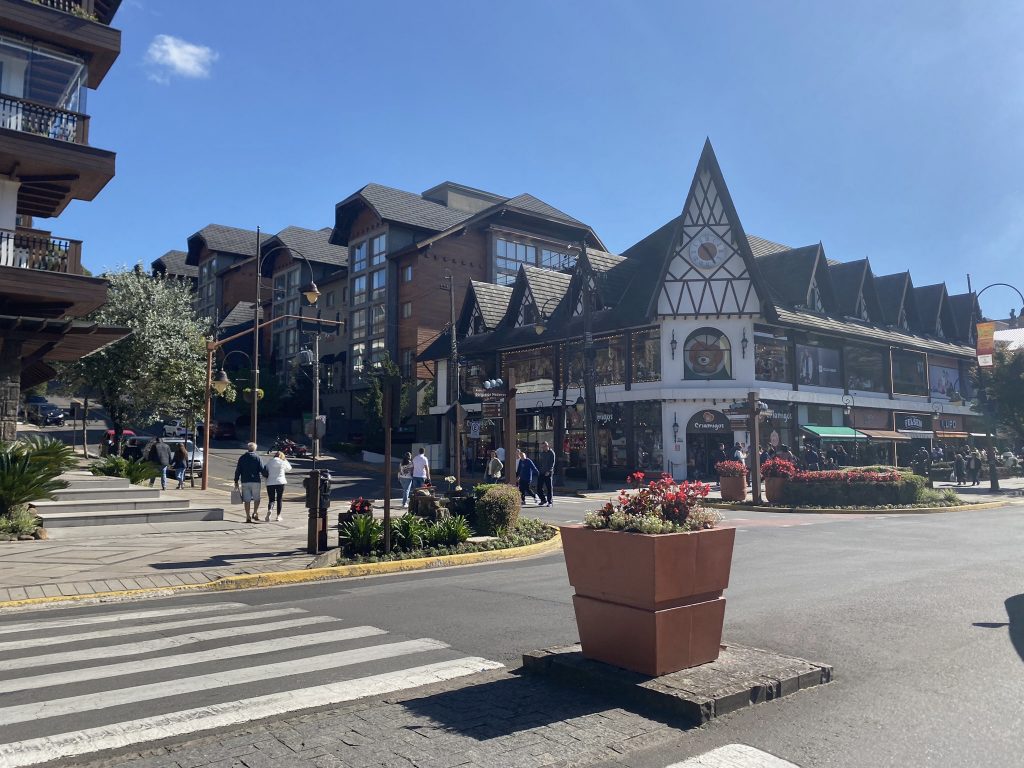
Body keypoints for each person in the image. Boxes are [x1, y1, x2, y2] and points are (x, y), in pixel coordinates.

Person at [233, 442, 266, 523]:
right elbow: (262, 469)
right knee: (257, 499)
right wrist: (267, 476)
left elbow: (238, 470)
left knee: (247, 500)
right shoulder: (258, 458)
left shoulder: (242, 458)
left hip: (245, 481)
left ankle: (248, 516)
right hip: (255, 481)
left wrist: (236, 480)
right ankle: (255, 512)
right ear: (255, 449)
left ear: (248, 448)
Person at [264, 450, 292, 521]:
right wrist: (285, 460)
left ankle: (270, 510)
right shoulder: (283, 462)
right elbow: (289, 468)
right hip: (280, 482)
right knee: (279, 499)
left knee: (271, 499)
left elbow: (265, 470)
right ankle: (278, 516)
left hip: (270, 482)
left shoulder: (269, 462)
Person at [537, 441, 556, 507]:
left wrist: (549, 471)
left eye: (545, 446)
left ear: (547, 446)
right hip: (541, 472)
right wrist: (539, 470)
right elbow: (540, 463)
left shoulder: (551, 453)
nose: (543, 448)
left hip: (548, 473)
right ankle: (543, 500)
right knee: (539, 487)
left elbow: (552, 463)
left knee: (549, 488)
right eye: (542, 447)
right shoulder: (542, 453)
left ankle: (550, 502)